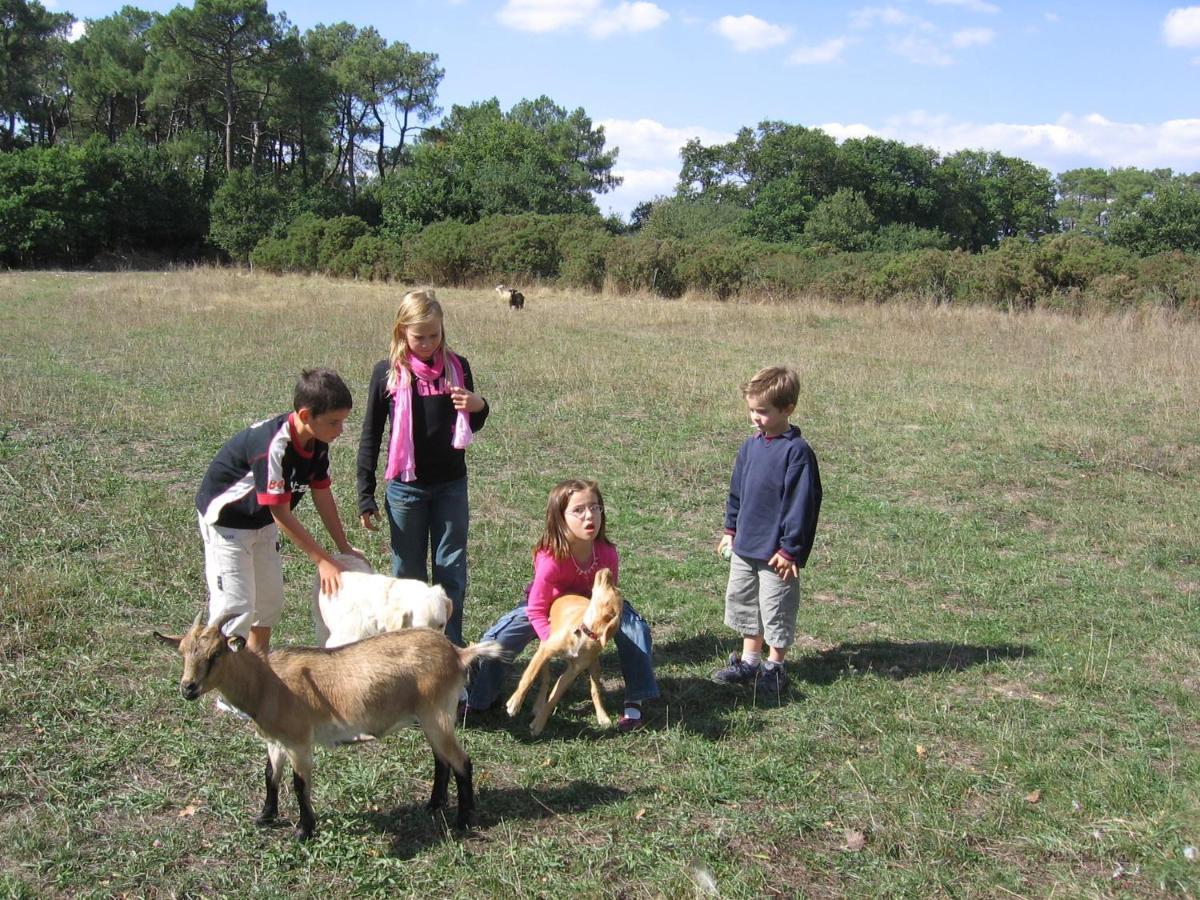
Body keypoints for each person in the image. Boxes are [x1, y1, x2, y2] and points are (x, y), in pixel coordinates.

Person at [467, 478, 659, 732]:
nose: (589, 516)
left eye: (595, 507)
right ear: (560, 518)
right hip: (547, 608)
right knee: (501, 638)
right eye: (578, 510)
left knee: (636, 630)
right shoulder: (551, 558)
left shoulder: (607, 553)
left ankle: (635, 700)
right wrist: (554, 641)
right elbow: (536, 609)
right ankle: (480, 699)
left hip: (590, 609)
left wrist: (596, 633)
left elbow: (606, 597)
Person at [195, 367, 362, 657]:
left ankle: (256, 676)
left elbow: (321, 493)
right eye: (334, 422)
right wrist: (322, 561)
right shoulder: (275, 446)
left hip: (262, 521)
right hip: (229, 523)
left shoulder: (318, 442)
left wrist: (342, 546)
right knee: (235, 608)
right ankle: (227, 692)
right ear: (306, 416)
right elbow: (281, 513)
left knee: (268, 603)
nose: (341, 430)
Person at [357, 289, 489, 646]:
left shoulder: (458, 367)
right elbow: (371, 434)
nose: (428, 343)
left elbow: (470, 425)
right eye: (419, 337)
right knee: (408, 578)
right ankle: (409, 652)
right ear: (401, 332)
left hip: (450, 486)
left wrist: (478, 405)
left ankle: (450, 651)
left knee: (452, 572)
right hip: (405, 490)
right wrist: (364, 495)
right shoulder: (387, 373)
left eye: (435, 335)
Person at [711, 366, 822, 693]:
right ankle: (750, 662)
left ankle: (775, 667)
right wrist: (731, 529)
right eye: (751, 410)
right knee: (745, 603)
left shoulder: (797, 453)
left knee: (775, 607)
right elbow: (737, 491)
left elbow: (802, 505)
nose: (755, 417)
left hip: (777, 554)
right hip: (745, 547)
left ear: (787, 409)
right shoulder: (750, 446)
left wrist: (791, 550)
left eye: (763, 411)